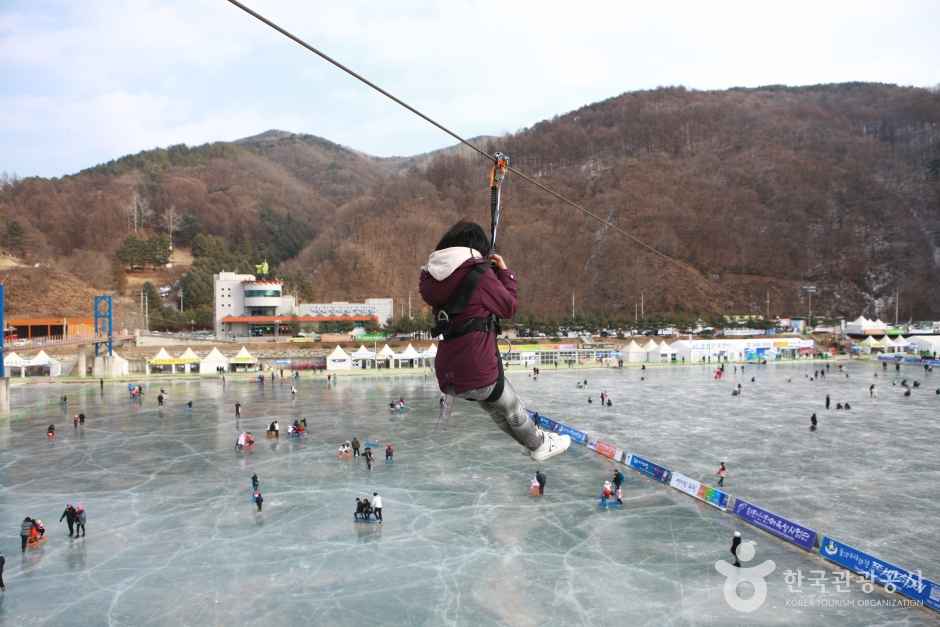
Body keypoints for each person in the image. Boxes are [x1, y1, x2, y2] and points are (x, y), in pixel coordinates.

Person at [418, 221, 570, 462]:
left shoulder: (430, 278)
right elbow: (508, 307)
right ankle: (540, 445)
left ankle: (531, 442)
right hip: (478, 366)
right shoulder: (479, 275)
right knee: (512, 409)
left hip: (450, 373)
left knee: (494, 409)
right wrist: (503, 274)